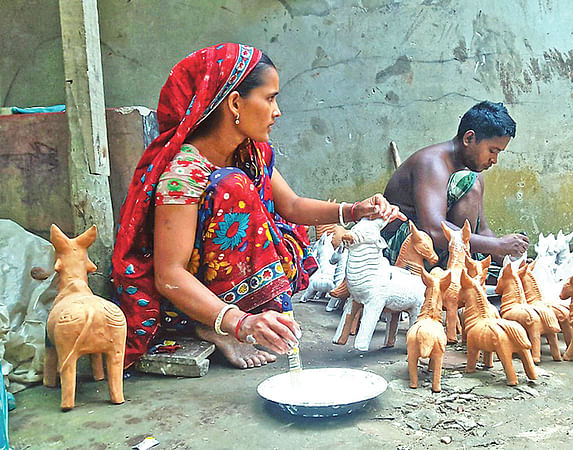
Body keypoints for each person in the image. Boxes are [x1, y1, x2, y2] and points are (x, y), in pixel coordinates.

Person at [112, 43, 403, 370]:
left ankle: (243, 315)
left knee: (287, 245)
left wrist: (354, 211)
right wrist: (239, 323)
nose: (276, 111)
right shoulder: (183, 175)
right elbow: (169, 276)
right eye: (270, 98)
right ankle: (212, 325)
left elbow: (291, 205)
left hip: (220, 279)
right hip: (183, 297)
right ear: (235, 103)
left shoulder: (251, 152)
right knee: (233, 189)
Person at [382, 101, 529, 265]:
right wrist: (499, 245)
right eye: (492, 151)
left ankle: (460, 267)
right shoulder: (432, 163)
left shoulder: (473, 169)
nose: (494, 160)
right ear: (469, 138)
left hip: (439, 247)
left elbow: (482, 230)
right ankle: (457, 269)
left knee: (471, 179)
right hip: (399, 248)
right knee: (469, 182)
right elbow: (434, 230)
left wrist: (507, 259)